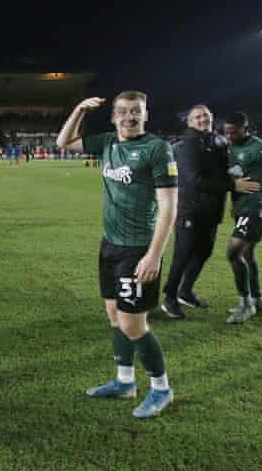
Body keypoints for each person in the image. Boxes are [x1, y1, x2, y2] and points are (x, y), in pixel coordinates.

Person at [56, 92, 177, 419]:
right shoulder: (109, 141)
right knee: (113, 314)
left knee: (133, 324)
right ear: (113, 116)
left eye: (135, 112)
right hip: (109, 244)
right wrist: (79, 108)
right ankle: (125, 382)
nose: (129, 117)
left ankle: (161, 389)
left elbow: (168, 206)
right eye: (122, 112)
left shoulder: (157, 149)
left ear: (145, 114)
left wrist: (154, 255)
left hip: (138, 248)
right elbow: (64, 142)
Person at [160, 105, 260, 319]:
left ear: (212, 118)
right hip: (191, 209)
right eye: (197, 116)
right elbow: (195, 180)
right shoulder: (187, 144)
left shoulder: (217, 141)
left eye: (205, 115)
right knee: (183, 255)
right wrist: (232, 185)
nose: (202, 119)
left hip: (212, 210)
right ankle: (169, 298)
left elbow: (226, 170)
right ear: (189, 122)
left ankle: (185, 292)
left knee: (203, 253)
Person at [223, 112, 262, 323]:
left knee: (233, 254)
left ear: (245, 129)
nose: (229, 136)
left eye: (234, 132)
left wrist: (261, 203)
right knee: (247, 255)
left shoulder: (259, 147)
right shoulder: (230, 147)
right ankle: (258, 301)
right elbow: (235, 179)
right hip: (242, 208)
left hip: (256, 208)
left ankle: (245, 304)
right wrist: (234, 205)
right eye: (226, 132)